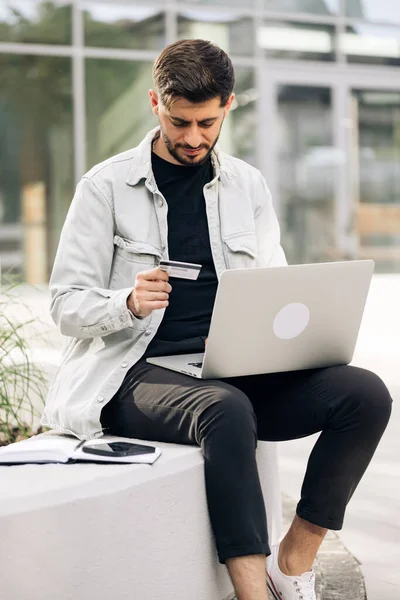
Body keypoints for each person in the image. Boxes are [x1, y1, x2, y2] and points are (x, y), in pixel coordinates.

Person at [41, 39, 392, 600]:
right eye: (180, 122)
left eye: (207, 122)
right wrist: (125, 303)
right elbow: (63, 305)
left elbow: (275, 287)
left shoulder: (247, 185)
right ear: (156, 102)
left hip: (232, 364)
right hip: (137, 371)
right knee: (226, 411)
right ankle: (253, 594)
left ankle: (293, 564)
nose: (193, 138)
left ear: (228, 106)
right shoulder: (104, 188)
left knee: (366, 394)